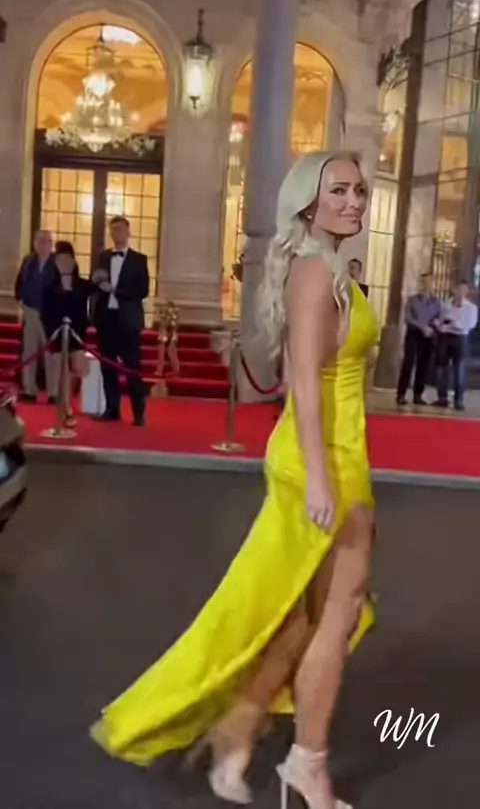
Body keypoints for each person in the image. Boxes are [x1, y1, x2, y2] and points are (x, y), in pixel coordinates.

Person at [91, 152, 378, 809]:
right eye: (338, 190)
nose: (354, 201)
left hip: (338, 453)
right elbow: (303, 383)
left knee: (307, 616)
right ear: (308, 202)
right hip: (321, 458)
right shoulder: (314, 272)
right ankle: (305, 765)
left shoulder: (331, 269)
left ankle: (239, 730)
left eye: (360, 190)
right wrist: (320, 480)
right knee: (333, 613)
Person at [92, 216, 149, 427]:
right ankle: (112, 409)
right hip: (106, 319)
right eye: (113, 229)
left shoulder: (139, 260)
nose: (117, 233)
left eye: (120, 229)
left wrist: (116, 290)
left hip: (128, 321)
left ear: (128, 232)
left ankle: (138, 413)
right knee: (107, 367)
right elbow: (95, 280)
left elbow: (143, 290)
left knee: (132, 368)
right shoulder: (103, 257)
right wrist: (97, 284)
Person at [41, 241, 91, 424]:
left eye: (67, 259)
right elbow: (45, 313)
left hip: (75, 333)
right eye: (60, 260)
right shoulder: (49, 286)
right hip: (57, 333)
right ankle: (66, 407)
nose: (64, 263)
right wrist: (52, 331)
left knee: (77, 368)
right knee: (62, 369)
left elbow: (84, 312)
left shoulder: (82, 285)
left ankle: (66, 400)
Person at [14, 229, 57, 403]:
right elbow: (19, 282)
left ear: (51, 244)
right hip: (30, 311)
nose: (42, 244)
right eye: (39, 240)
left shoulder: (57, 262)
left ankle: (53, 393)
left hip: (50, 313)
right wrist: (20, 299)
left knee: (51, 354)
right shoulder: (28, 261)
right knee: (29, 353)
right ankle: (29, 389)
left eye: (46, 240)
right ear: (34, 243)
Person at [396, 273, 441, 407]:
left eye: (428, 282)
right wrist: (422, 327)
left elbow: (439, 317)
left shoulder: (436, 302)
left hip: (428, 336)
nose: (426, 285)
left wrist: (433, 326)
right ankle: (401, 394)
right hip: (414, 333)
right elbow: (408, 317)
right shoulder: (412, 300)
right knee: (408, 363)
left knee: (424, 365)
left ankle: (418, 394)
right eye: (423, 282)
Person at [434, 280, 478, 411]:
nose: (460, 293)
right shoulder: (446, 305)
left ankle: (458, 399)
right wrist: (444, 325)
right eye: (458, 289)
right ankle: (442, 397)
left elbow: (469, 325)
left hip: (460, 339)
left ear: (467, 292)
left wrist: (453, 323)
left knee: (459, 369)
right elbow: (441, 322)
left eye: (463, 290)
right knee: (442, 367)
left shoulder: (471, 308)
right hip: (445, 337)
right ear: (453, 290)